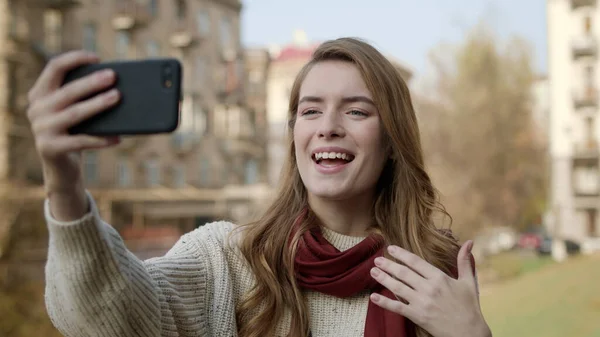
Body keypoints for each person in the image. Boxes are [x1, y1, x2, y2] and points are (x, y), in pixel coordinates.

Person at [27, 37, 492, 337]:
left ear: (392, 141)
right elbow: (103, 318)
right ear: (294, 135)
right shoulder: (226, 259)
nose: (327, 126)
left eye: (355, 110)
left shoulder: (432, 277)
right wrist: (64, 183)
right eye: (310, 111)